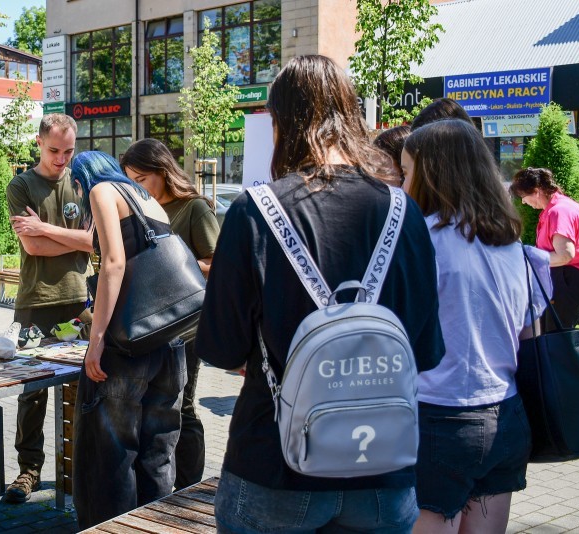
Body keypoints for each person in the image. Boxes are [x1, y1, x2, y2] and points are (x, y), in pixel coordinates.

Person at [194, 54, 445, 533]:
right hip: (383, 470)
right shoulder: (403, 211)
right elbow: (427, 351)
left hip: (274, 465)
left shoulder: (254, 212)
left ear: (281, 122)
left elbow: (221, 348)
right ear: (351, 117)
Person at [402, 119, 545, 534]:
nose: (402, 184)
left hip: (439, 417)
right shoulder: (516, 249)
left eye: (406, 172)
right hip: (507, 416)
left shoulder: (421, 241)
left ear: (430, 176)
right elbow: (529, 336)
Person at [70, 151, 186, 529]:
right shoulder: (145, 197)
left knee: (112, 456)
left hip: (130, 345)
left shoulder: (101, 190)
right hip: (169, 343)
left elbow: (114, 263)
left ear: (81, 180)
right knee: (158, 454)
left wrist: (97, 339)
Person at [120, 138, 220, 490]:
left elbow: (218, 261)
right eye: (130, 180)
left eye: (141, 179)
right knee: (159, 408)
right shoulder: (139, 209)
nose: (136, 187)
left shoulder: (194, 208)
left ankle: (190, 488)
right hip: (150, 325)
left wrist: (175, 266)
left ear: (163, 171)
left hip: (187, 325)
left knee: (183, 407)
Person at [4, 113, 94, 503]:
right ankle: (29, 471)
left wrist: (44, 228)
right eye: (54, 150)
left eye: (68, 151)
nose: (61, 159)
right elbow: (33, 246)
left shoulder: (83, 182)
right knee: (32, 391)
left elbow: (94, 242)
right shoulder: (21, 186)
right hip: (35, 305)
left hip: (79, 305)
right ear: (39, 143)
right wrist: (70, 238)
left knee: (87, 386)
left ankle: (84, 467)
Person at [511, 167, 579, 330]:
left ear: (536, 191)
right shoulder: (562, 206)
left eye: (523, 196)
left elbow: (565, 255)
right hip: (569, 278)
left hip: (567, 278)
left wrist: (529, 258)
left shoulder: (558, 211)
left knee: (556, 336)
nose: (523, 202)